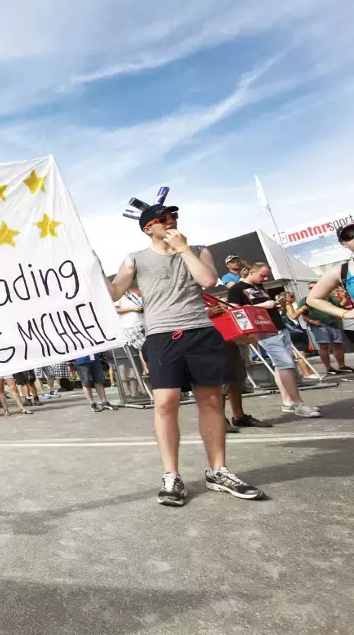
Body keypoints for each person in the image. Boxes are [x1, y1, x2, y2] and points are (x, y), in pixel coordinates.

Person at [106, 201, 264, 507]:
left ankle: (218, 470)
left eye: (174, 216)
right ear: (147, 228)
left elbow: (207, 281)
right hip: (161, 335)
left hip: (200, 331)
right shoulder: (135, 258)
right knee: (165, 403)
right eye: (164, 218)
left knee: (211, 400)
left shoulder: (199, 249)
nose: (172, 221)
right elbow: (113, 293)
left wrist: (183, 249)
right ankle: (171, 475)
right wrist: (92, 269)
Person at [228, 264, 318, 419]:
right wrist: (262, 305)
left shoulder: (260, 287)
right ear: (252, 272)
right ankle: (298, 403)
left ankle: (288, 402)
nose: (265, 278)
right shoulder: (236, 289)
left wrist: (272, 305)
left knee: (281, 365)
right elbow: (234, 312)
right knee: (286, 365)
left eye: (267, 276)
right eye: (263, 275)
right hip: (265, 331)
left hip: (279, 327)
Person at [305, 221, 354, 368]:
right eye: (349, 236)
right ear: (343, 244)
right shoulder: (341, 271)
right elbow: (313, 299)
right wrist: (344, 313)